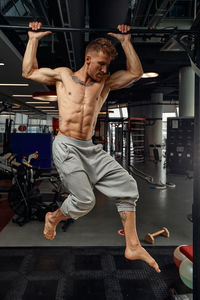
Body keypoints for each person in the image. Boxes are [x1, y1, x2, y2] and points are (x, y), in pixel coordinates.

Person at [22, 22, 160, 273]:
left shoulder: (105, 83)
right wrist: (32, 39)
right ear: (88, 59)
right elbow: (29, 72)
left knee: (128, 186)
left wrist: (126, 42)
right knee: (85, 201)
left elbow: (135, 73)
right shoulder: (64, 76)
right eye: (101, 64)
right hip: (66, 145)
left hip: (89, 147)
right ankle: (53, 217)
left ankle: (133, 245)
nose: (105, 70)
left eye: (107, 65)